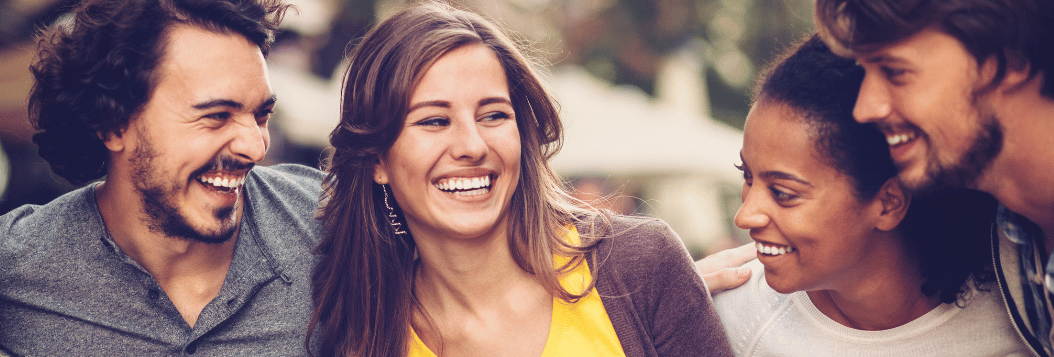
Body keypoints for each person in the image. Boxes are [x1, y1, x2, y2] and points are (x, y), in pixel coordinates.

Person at [307, 3, 733, 356]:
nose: (472, 145)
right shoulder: (360, 337)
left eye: (494, 115)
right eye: (435, 121)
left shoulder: (640, 266)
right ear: (378, 159)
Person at [0, 0, 326, 354]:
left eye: (261, 116)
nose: (255, 147)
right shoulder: (15, 269)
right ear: (112, 124)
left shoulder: (335, 223)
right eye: (216, 116)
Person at [713, 36, 1028, 356]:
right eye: (747, 177)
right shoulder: (728, 323)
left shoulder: (1024, 314)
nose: (745, 216)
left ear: (889, 202)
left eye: (783, 193)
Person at [813, 0, 1054, 355]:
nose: (865, 109)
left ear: (1009, 59)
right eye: (866, 72)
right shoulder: (1009, 232)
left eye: (895, 71)